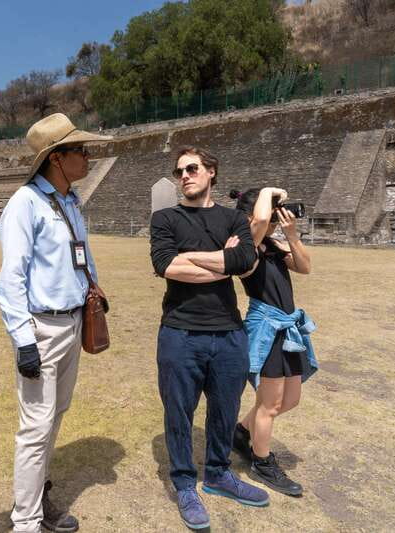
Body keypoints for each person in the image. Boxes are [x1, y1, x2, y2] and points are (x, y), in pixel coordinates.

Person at [0, 113, 111, 533]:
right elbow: (11, 278)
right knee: (35, 426)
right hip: (42, 328)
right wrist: (24, 341)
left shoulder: (69, 201)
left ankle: (37, 498)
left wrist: (93, 287)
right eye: (81, 150)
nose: (88, 157)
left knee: (55, 414)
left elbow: (81, 253)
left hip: (73, 321)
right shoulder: (25, 203)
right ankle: (25, 522)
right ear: (56, 158)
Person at [150, 146, 269, 531]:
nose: (185, 175)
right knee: (178, 412)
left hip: (229, 333)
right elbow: (166, 265)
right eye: (179, 171)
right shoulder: (166, 218)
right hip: (180, 332)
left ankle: (218, 473)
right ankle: (185, 484)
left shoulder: (233, 218)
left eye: (192, 168)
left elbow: (245, 261)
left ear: (211, 171)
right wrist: (222, 259)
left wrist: (193, 257)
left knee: (225, 410)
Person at [230, 187, 317, 497]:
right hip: (266, 327)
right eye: (272, 211)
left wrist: (291, 235)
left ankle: (241, 431)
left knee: (289, 399)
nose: (277, 217)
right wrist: (268, 192)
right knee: (270, 405)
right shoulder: (244, 246)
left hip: (286, 326)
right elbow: (258, 223)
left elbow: (305, 267)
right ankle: (262, 462)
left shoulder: (272, 244)